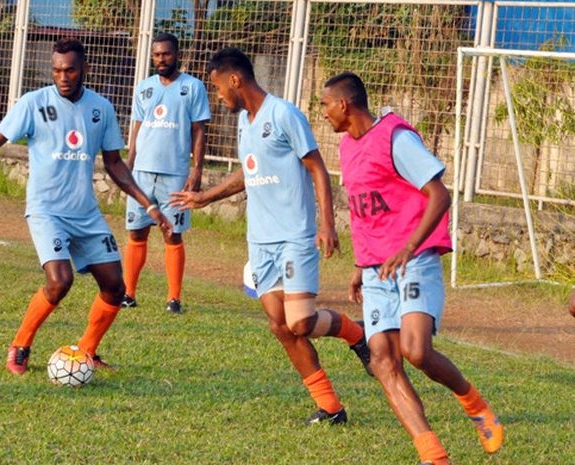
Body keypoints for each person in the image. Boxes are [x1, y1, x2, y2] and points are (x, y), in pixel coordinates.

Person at [0, 38, 171, 375]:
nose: (62, 76)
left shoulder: (101, 108)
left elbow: (114, 164)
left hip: (85, 213)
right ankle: (20, 346)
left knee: (114, 286)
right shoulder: (33, 103)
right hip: (46, 210)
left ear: (84, 69)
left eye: (69, 70)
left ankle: (87, 352)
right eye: (56, 70)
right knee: (59, 281)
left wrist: (148, 205)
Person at [172, 48, 371, 426]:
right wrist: (203, 196)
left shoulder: (284, 114)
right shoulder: (245, 122)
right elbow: (248, 173)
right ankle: (330, 407)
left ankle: (354, 332)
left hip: (295, 236)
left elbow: (318, 170)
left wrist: (327, 224)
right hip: (259, 242)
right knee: (280, 326)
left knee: (299, 322)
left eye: (217, 88)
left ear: (235, 80)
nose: (218, 97)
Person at [320, 71, 503, 464]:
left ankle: (473, 403)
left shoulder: (396, 138)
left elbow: (440, 194)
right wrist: (359, 265)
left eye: (325, 105)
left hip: (414, 260)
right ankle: (433, 455)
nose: (323, 114)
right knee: (383, 359)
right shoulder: (348, 149)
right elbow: (367, 212)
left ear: (344, 105)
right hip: (375, 269)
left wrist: (409, 247)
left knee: (416, 350)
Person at [122, 32, 210, 314]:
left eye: (167, 54)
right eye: (157, 54)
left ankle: (174, 299)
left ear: (177, 55)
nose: (161, 59)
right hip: (142, 174)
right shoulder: (143, 88)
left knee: (172, 234)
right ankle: (128, 294)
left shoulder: (193, 88)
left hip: (175, 174)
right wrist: (130, 161)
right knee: (136, 232)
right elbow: (137, 126)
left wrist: (196, 169)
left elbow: (199, 130)